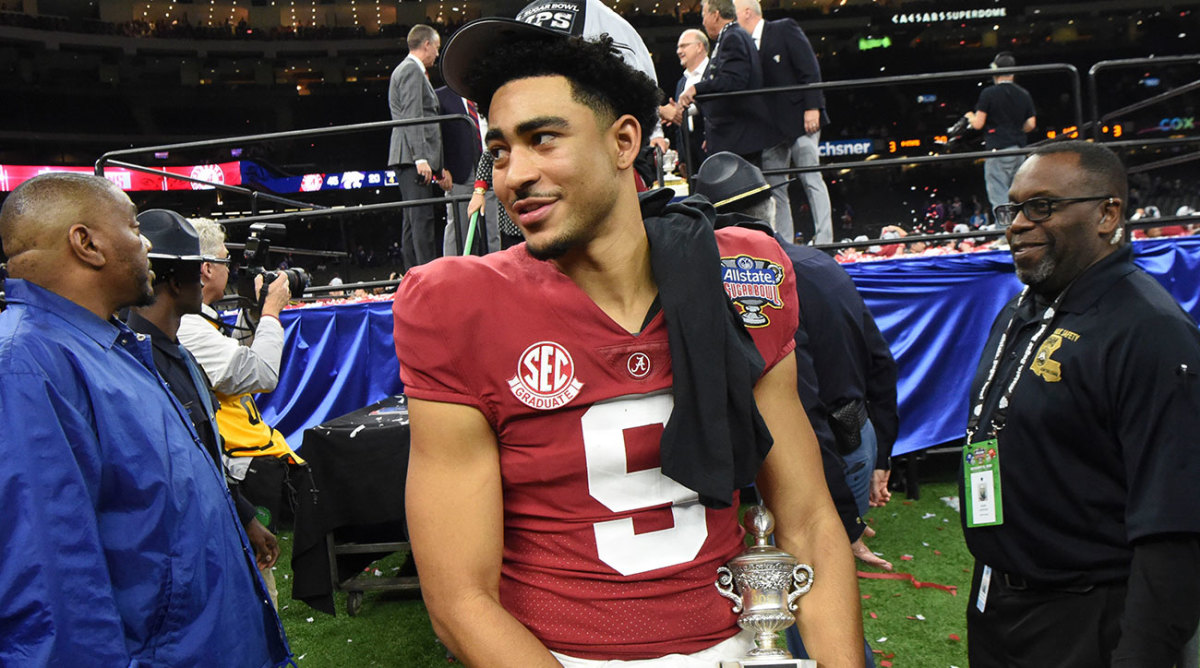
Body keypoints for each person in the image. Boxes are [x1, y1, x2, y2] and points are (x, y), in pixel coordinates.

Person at [397, 20, 861, 667]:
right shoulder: (457, 303)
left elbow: (809, 521)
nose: (515, 174)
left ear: (624, 140)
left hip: (733, 645)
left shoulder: (739, 272)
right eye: (500, 151)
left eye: (543, 139)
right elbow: (459, 599)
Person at [0, 173, 289, 666]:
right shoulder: (25, 365)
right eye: (135, 228)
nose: (147, 244)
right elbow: (52, 588)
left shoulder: (107, 344)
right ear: (86, 244)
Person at [962, 140, 1200, 667]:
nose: (1017, 224)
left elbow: (1174, 526)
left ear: (1107, 213)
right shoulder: (1029, 306)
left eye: (1042, 206)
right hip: (1000, 604)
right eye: (1013, 207)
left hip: (1087, 617)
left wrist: (1142, 653)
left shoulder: (1150, 332)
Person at [692, 152, 897, 666]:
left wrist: (842, 515)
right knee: (818, 594)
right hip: (849, 435)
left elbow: (798, 404)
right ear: (769, 208)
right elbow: (879, 360)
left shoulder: (743, 281)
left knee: (806, 596)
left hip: (804, 449)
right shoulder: (818, 264)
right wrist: (882, 454)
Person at [125, 208, 281, 578]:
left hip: (212, 533)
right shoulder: (141, 359)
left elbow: (204, 453)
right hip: (184, 555)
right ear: (179, 283)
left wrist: (243, 515)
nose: (207, 275)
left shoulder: (176, 350)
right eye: (199, 267)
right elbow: (262, 372)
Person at [177, 217, 306, 609]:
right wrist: (270, 313)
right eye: (224, 260)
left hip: (226, 473)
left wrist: (252, 315)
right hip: (227, 471)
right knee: (252, 596)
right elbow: (260, 373)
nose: (229, 269)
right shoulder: (187, 325)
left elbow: (233, 364)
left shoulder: (195, 321)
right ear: (205, 268)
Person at [734, 0, 832, 245]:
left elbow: (809, 67)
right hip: (771, 129)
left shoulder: (783, 28)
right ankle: (784, 244)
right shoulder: (744, 44)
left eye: (733, 11)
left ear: (746, 12)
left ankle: (825, 240)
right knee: (775, 189)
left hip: (801, 120)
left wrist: (812, 107)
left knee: (811, 179)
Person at [677, 0, 779, 166]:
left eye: (704, 15)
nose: (702, 21)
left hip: (740, 138)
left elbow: (733, 80)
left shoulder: (733, 36)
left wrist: (696, 89)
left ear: (715, 15)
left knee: (740, 190)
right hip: (733, 136)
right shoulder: (732, 35)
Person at [388, 24, 451, 270]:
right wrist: (421, 159)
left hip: (409, 157)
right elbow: (413, 116)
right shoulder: (412, 71)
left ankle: (414, 276)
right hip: (412, 158)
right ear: (426, 45)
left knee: (412, 222)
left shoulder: (408, 70)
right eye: (436, 48)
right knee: (421, 221)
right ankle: (426, 278)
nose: (437, 53)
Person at [963, 52, 1036, 222]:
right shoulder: (1023, 93)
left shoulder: (988, 93)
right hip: (1018, 149)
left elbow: (978, 124)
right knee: (1017, 193)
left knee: (999, 194)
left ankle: (1005, 234)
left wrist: (970, 117)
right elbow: (1031, 124)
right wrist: (1015, 130)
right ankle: (1022, 230)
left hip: (997, 150)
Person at [436, 84, 487, 255]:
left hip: (491, 167)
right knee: (458, 229)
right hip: (459, 172)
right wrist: (441, 168)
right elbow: (436, 135)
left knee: (492, 229)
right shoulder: (441, 96)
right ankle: (450, 274)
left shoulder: (487, 93)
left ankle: (496, 273)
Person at [657, 28, 709, 178]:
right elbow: (678, 125)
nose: (679, 51)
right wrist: (683, 158)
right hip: (690, 153)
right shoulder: (682, 82)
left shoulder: (715, 72)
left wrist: (682, 111)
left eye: (684, 46)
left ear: (699, 46)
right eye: (678, 47)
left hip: (710, 145)